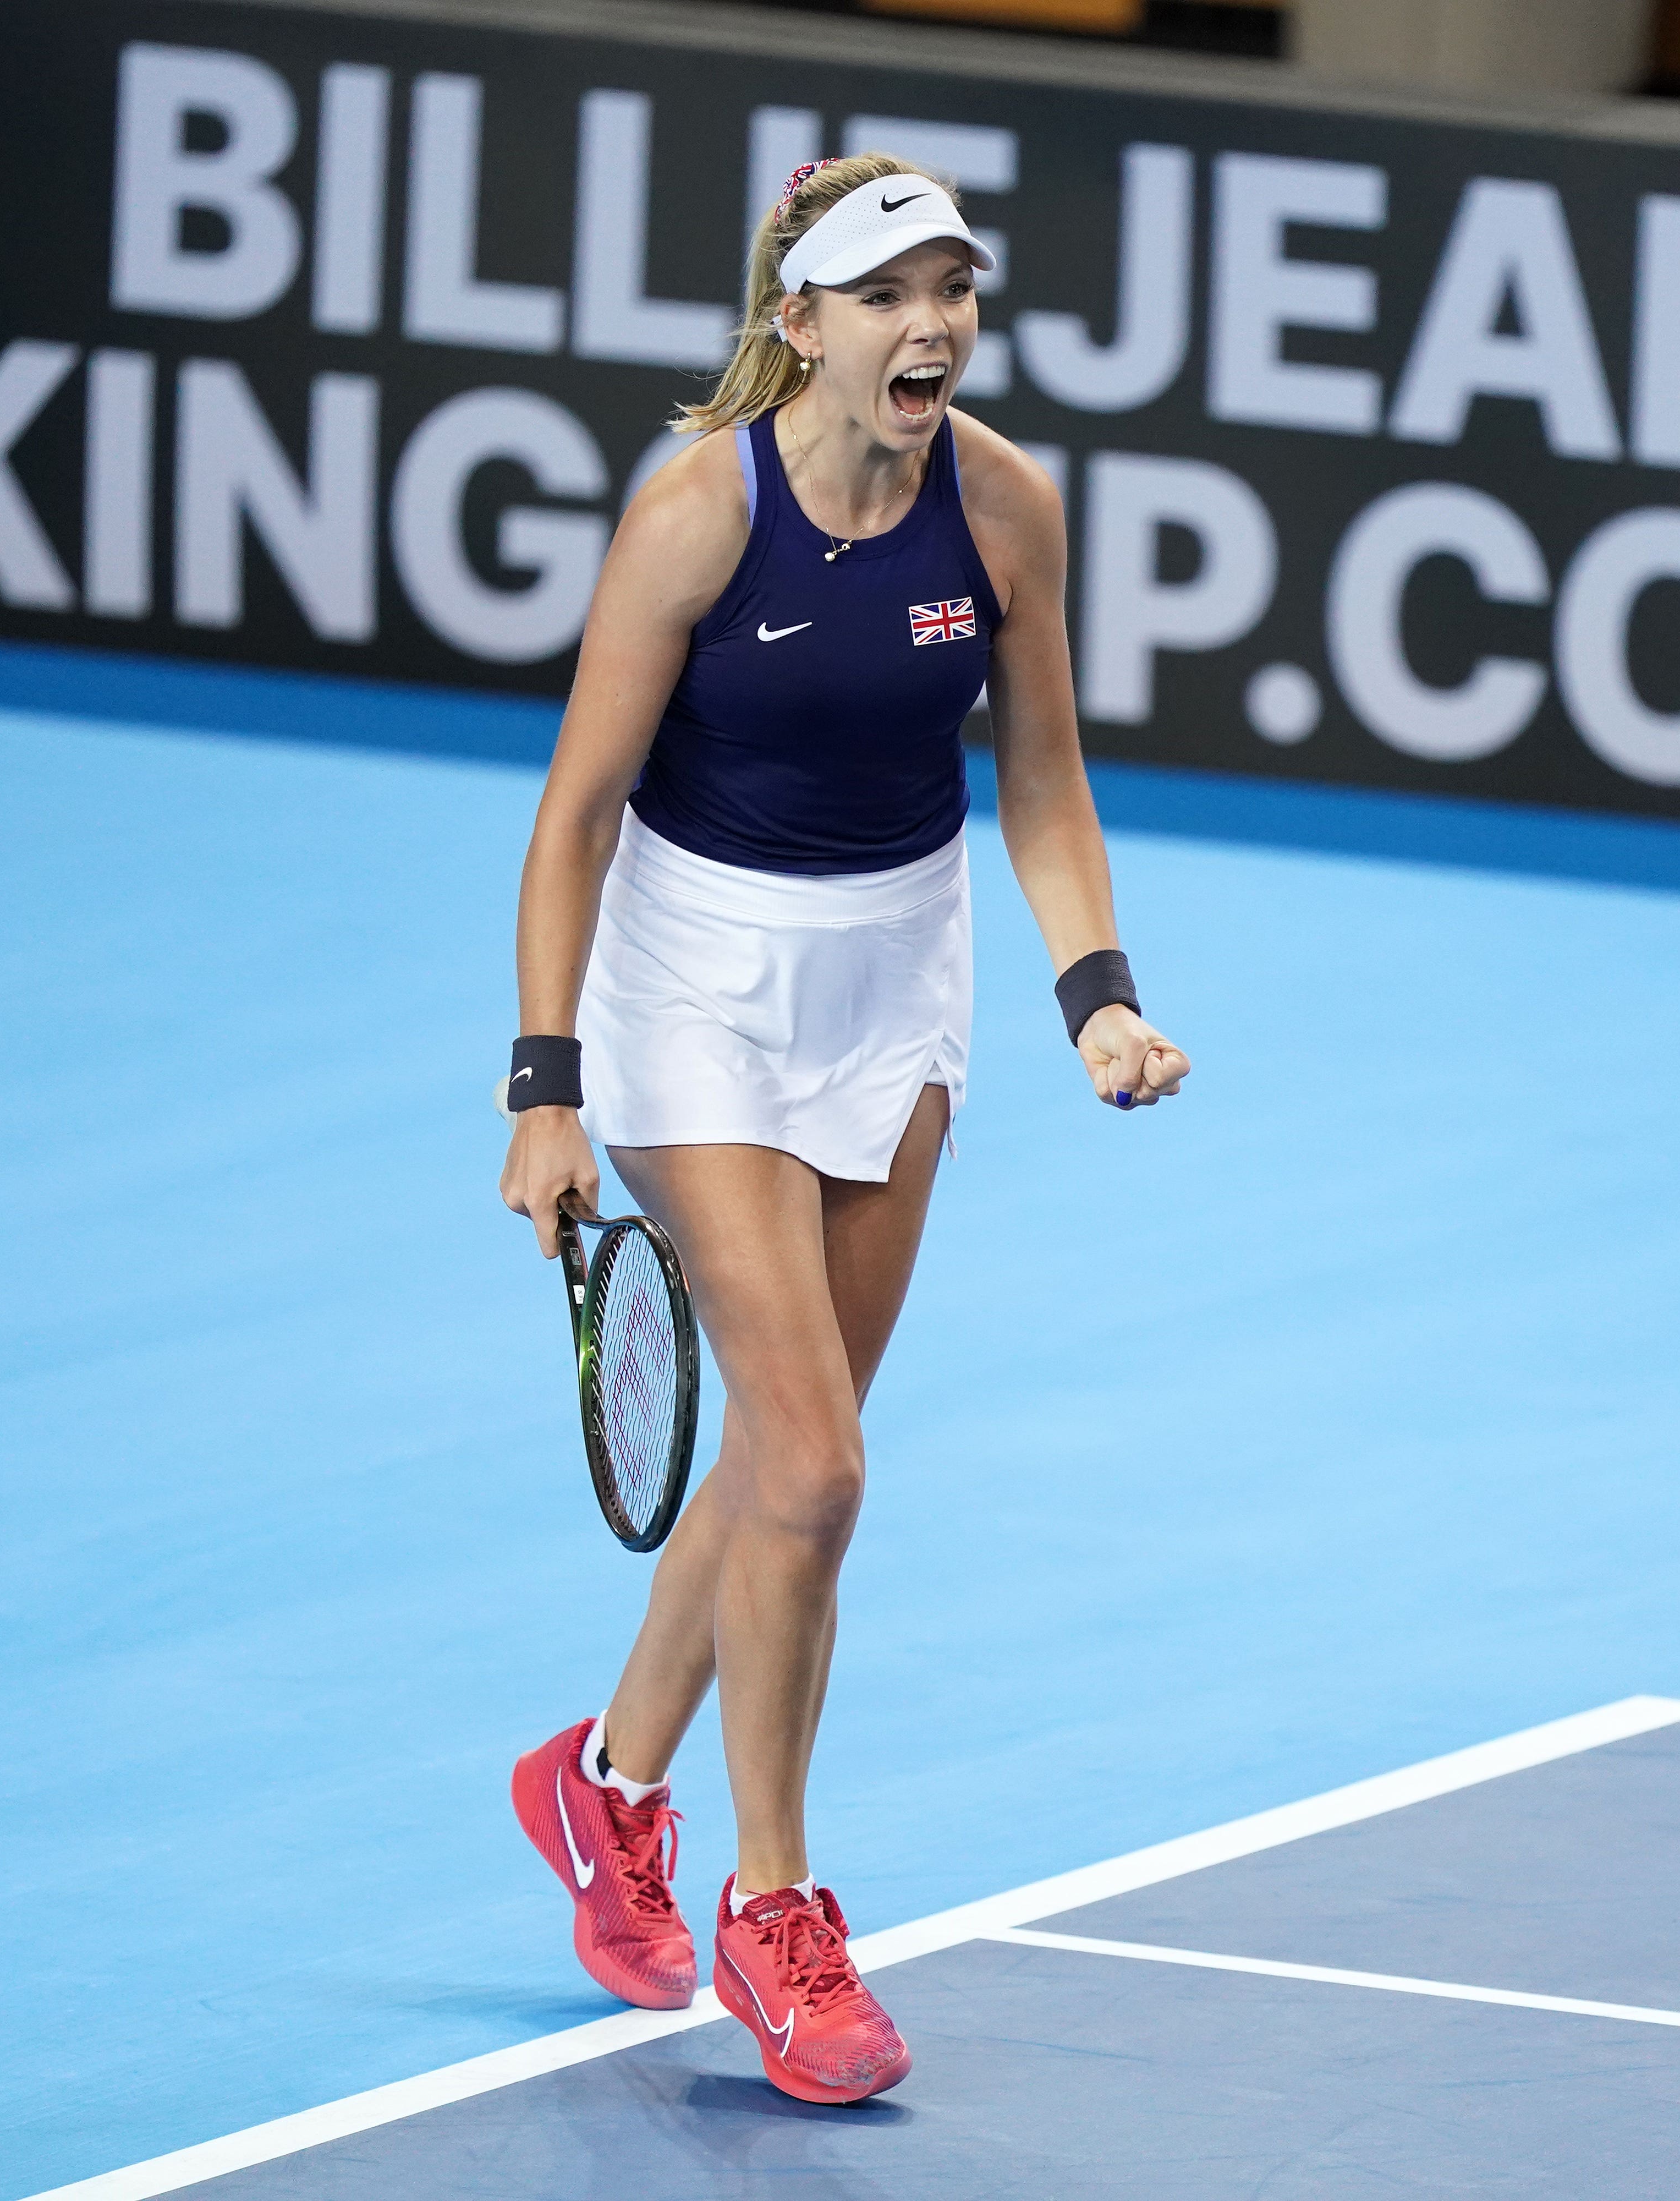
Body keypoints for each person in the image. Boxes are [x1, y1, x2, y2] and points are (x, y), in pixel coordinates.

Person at [493, 154, 1189, 2105]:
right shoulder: (697, 516)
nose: (934, 325)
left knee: (800, 1470)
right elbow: (574, 815)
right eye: (891, 292)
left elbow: (1042, 784)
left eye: (955, 288)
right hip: (695, 987)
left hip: (902, 979)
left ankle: (604, 1786)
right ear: (800, 322)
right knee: (817, 1463)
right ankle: (775, 1917)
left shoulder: (1009, 504)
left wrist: (1099, 994)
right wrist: (545, 1080)